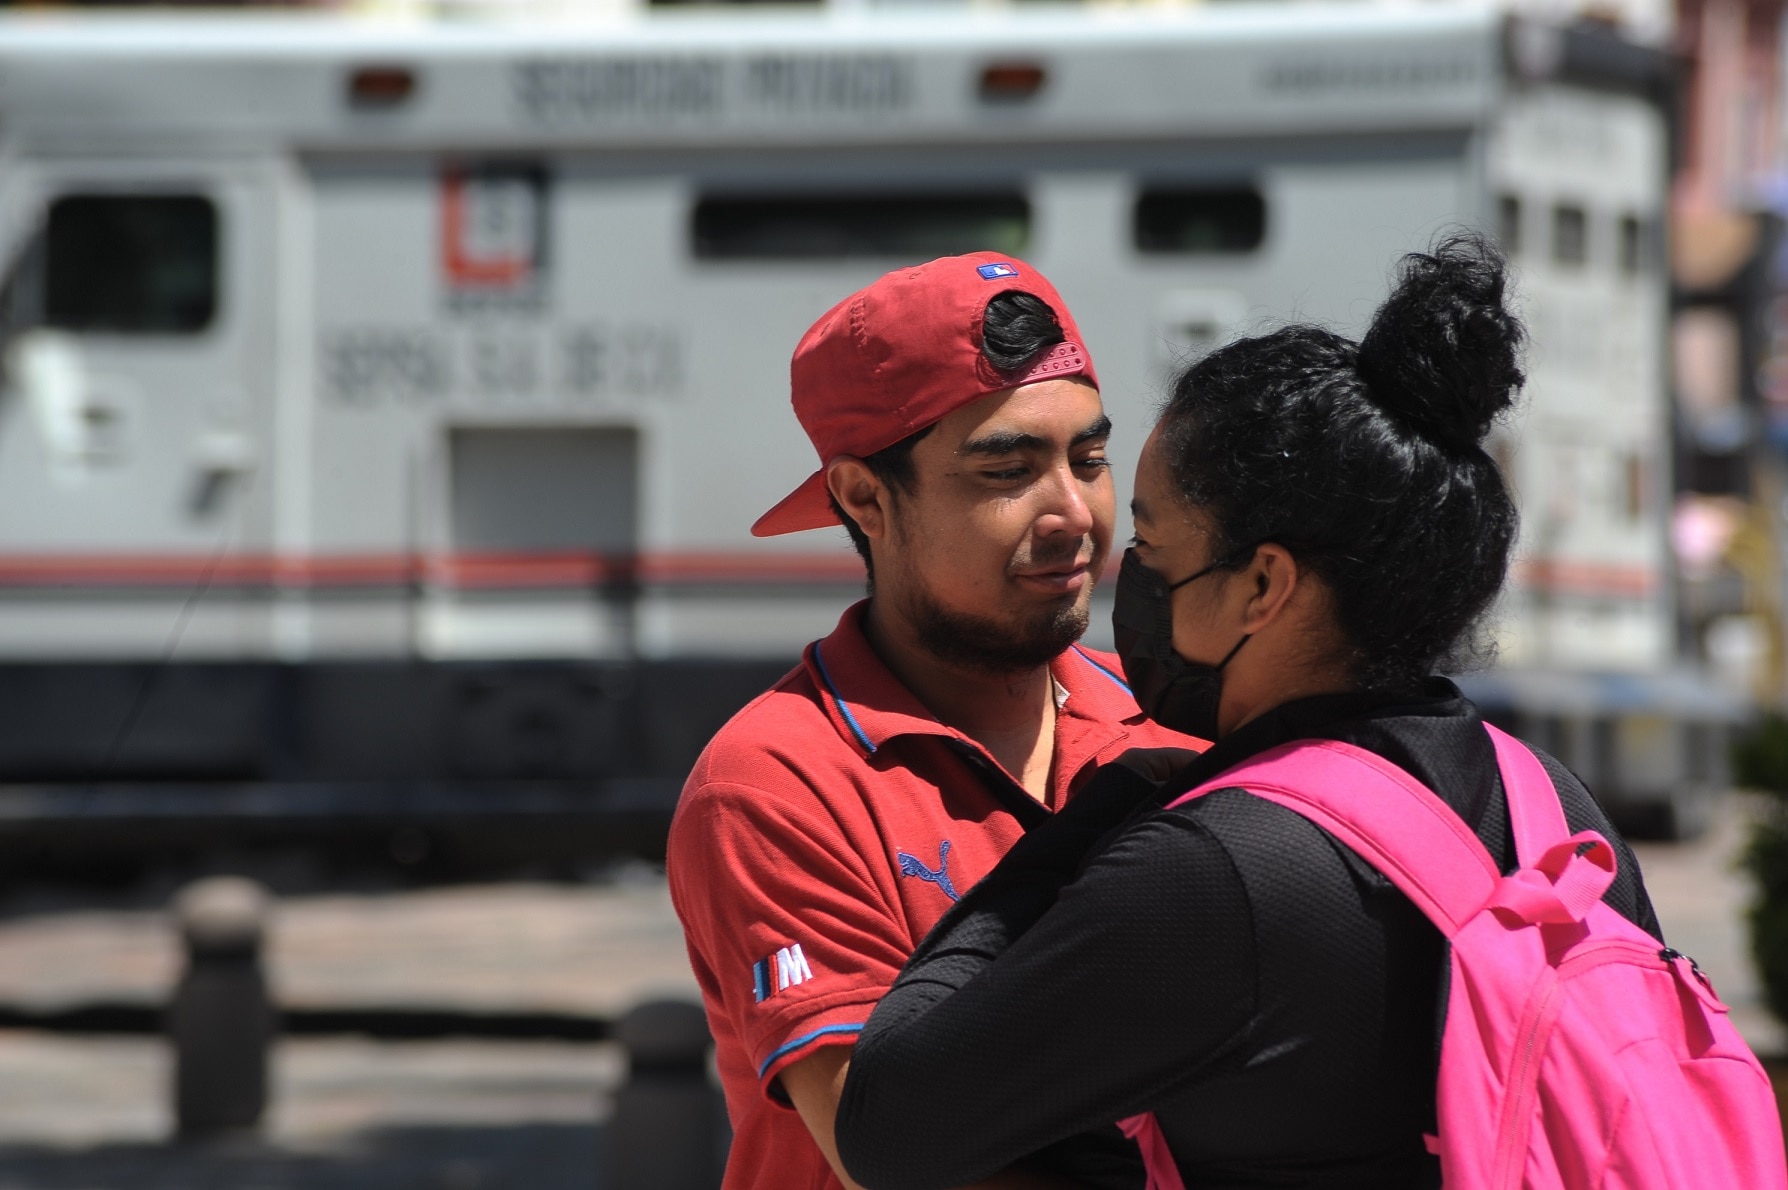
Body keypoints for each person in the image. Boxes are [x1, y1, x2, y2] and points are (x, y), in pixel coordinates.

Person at [832, 236, 1663, 1189]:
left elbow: (888, 1122)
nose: (1123, 571)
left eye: (1150, 541)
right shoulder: (1555, 812)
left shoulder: (1221, 868)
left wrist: (1092, 825)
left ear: (1264, 584)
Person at [666, 251, 1201, 1190]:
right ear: (865, 499)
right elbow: (902, 1152)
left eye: (1089, 459)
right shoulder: (773, 784)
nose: (1074, 513)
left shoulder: (1173, 730)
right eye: (1009, 470)